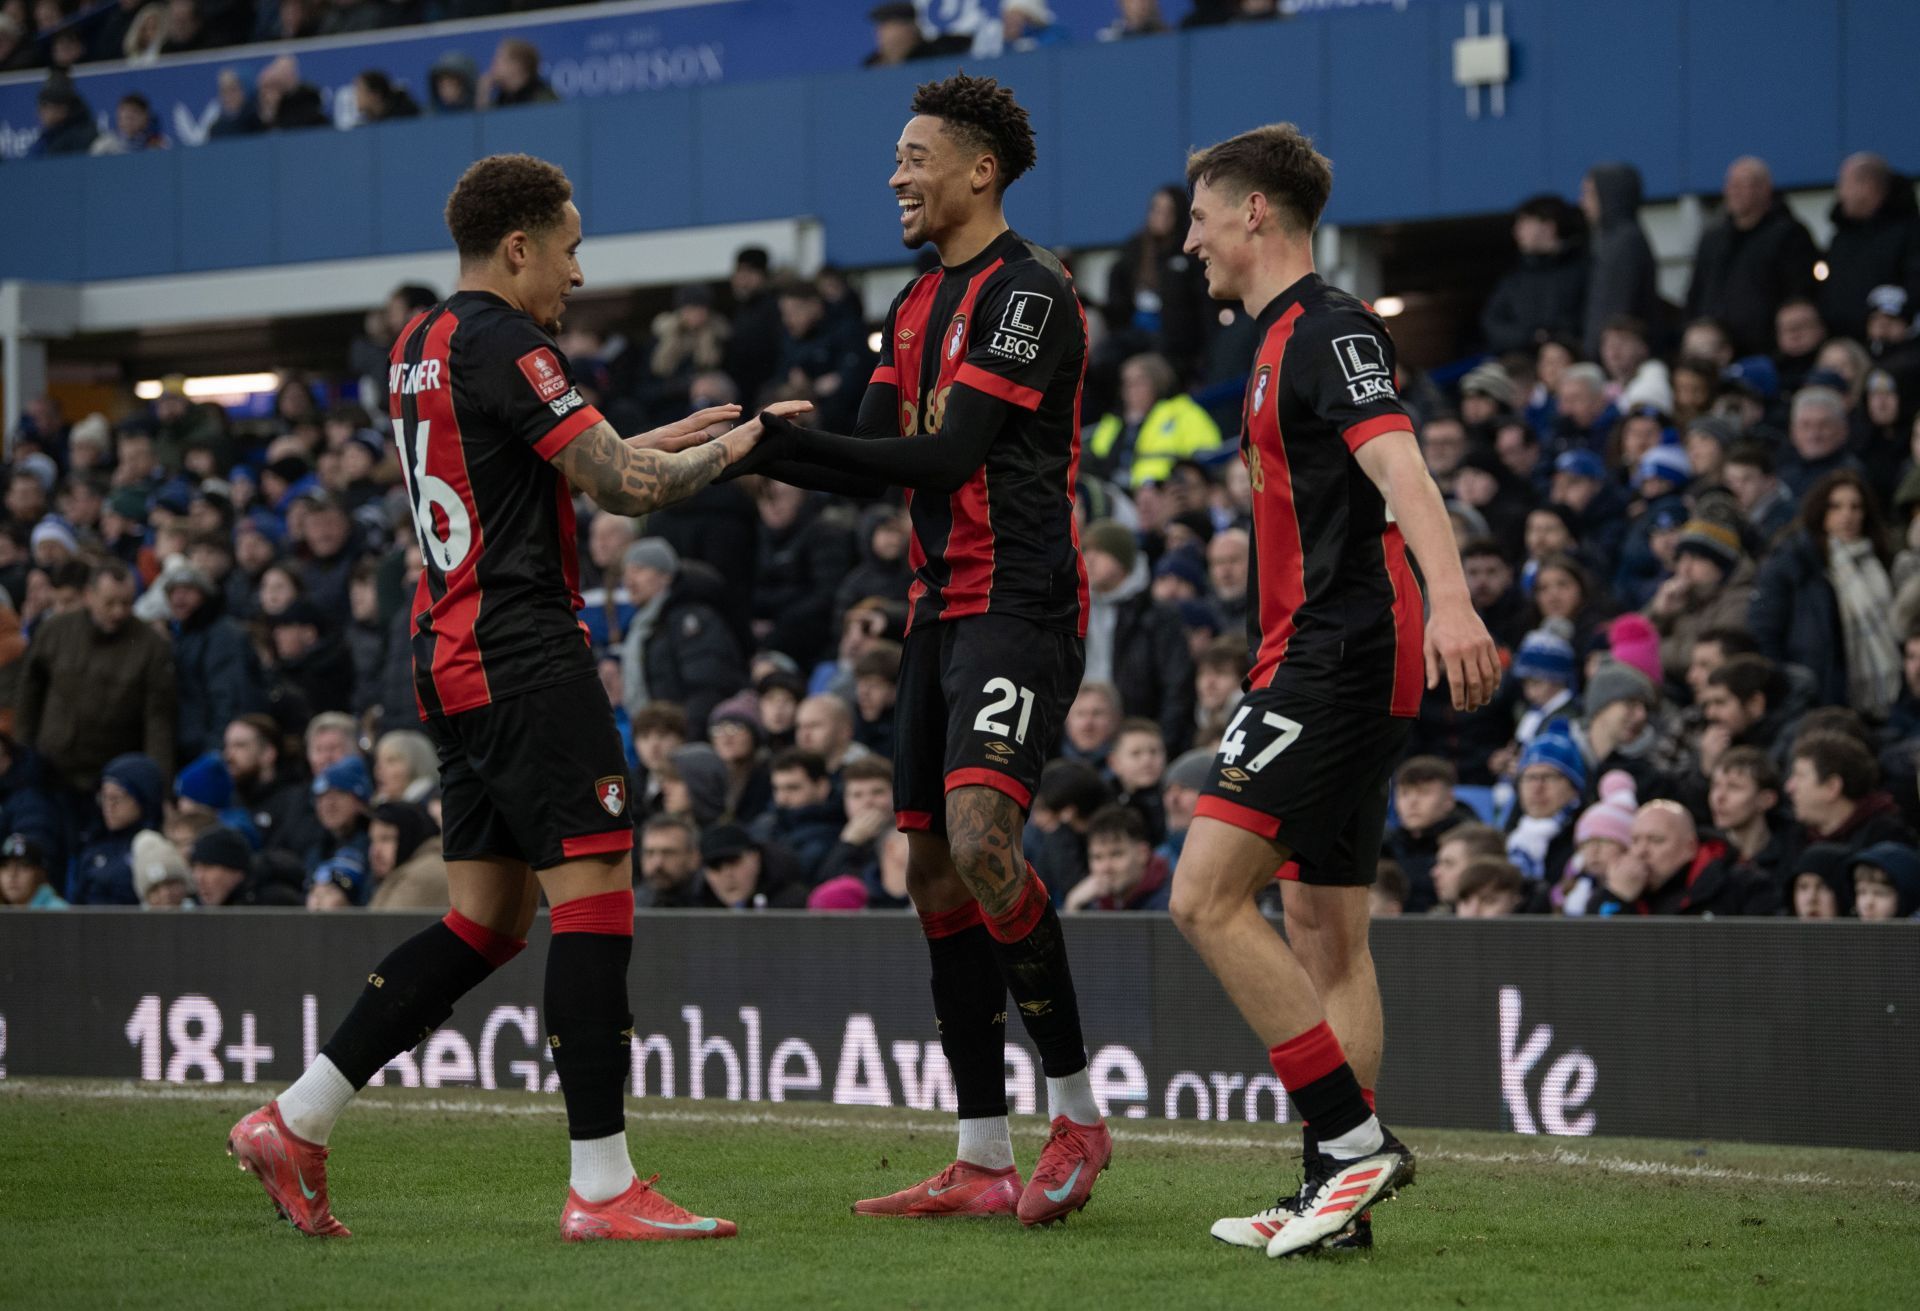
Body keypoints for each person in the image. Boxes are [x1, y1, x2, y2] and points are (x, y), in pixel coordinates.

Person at [228, 153, 799, 1245]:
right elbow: (626, 489)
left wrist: (652, 442)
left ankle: (296, 1119)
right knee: (596, 900)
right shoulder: (508, 340)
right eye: (572, 248)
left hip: (446, 654)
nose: (578, 273)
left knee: (488, 920)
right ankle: (601, 1186)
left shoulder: (418, 345)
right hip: (523, 653)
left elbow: (541, 466)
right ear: (521, 246)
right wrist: (746, 445)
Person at [736, 74, 1111, 1226]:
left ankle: (1080, 1120)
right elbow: (856, 444)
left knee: (982, 838)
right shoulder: (910, 306)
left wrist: (764, 453)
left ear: (978, 169)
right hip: (932, 611)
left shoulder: (1029, 294)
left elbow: (944, 460)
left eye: (913, 156)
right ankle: (981, 1155)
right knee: (933, 873)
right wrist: (742, 444)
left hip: (1018, 604)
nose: (895, 176)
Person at [1167, 122, 1499, 1259]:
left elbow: (1400, 462)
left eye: (1202, 214)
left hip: (1341, 653)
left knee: (1204, 898)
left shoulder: (1328, 328)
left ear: (1255, 211)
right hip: (1319, 653)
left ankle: (1353, 1147)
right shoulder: (1269, 342)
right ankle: (1334, 1201)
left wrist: (1452, 602)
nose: (1191, 239)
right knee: (1324, 933)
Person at [1750, 470, 1899, 714]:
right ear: (1820, 511)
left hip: (1882, 698)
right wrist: (1790, 691)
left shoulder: (1881, 562)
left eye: (1856, 507)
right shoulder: (1792, 562)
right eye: (1836, 507)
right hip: (1817, 697)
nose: (1847, 516)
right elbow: (1765, 633)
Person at [1686, 157, 1819, 357]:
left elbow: (1799, 292)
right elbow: (1696, 294)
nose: (1733, 192)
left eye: (1742, 185)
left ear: (1764, 189)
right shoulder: (1713, 239)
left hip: (1766, 351)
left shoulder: (1789, 235)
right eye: (1731, 185)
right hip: (1714, 352)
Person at [1480, 194, 1587, 355]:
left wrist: (1554, 337)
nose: (1517, 231)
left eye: (1525, 222)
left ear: (1548, 227)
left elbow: (1586, 318)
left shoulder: (1582, 270)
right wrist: (1529, 336)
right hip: (1521, 366)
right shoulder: (1515, 278)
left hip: (1569, 361)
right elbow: (1492, 323)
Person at [1063, 803, 1170, 911]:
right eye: (1097, 857)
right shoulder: (1092, 901)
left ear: (1143, 854)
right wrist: (1072, 905)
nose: (1106, 867)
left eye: (1116, 854)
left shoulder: (1169, 902)